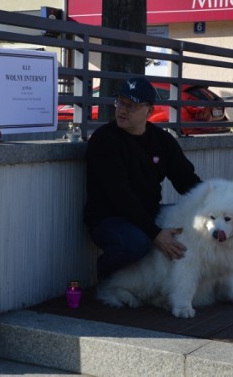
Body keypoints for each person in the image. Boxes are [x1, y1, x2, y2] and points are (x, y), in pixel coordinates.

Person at [84, 77, 202, 280]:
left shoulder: (162, 140)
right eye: (120, 102)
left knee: (194, 223)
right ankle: (105, 276)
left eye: (132, 105)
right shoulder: (104, 140)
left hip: (149, 213)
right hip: (108, 218)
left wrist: (213, 206)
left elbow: (186, 180)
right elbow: (120, 196)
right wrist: (155, 233)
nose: (123, 110)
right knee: (138, 243)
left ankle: (172, 283)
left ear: (149, 111)